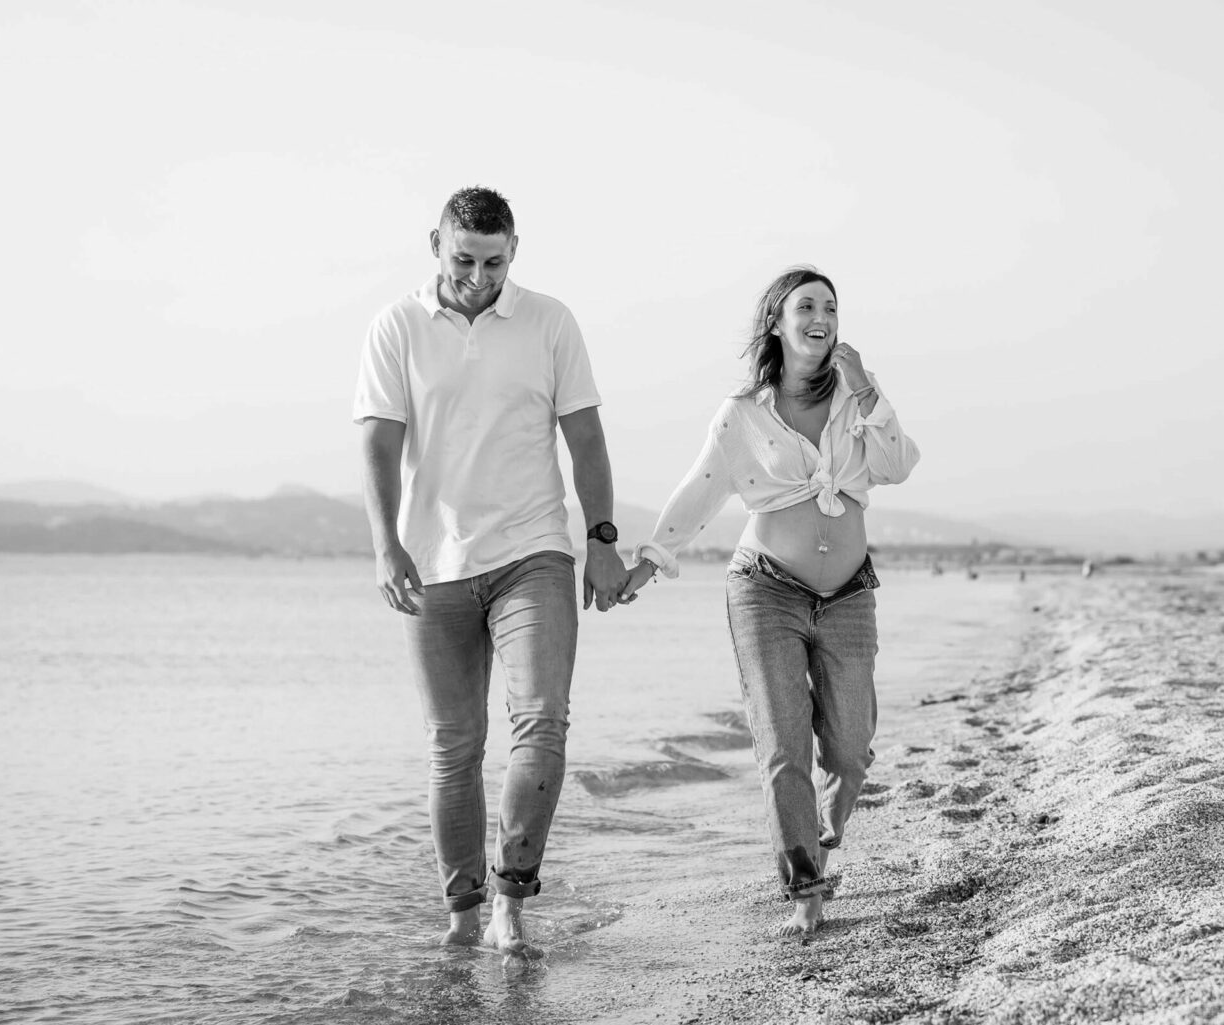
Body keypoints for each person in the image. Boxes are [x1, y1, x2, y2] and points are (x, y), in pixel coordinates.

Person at [353, 186, 628, 959]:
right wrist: (385, 544)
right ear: (434, 245)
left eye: (495, 261)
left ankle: (512, 896)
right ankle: (462, 913)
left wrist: (601, 538)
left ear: (515, 250)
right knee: (454, 744)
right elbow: (377, 443)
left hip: (534, 550)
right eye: (464, 260)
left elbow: (587, 439)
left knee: (541, 721)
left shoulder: (549, 321)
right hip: (435, 563)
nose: (480, 276)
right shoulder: (396, 327)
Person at [619, 267, 919, 935]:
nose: (822, 315)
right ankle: (806, 891)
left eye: (831, 307)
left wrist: (868, 385)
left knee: (850, 749)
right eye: (806, 305)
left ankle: (821, 830)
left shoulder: (857, 399)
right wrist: (649, 562)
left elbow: (898, 465)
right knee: (783, 746)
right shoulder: (743, 414)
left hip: (848, 596)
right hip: (765, 591)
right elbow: (698, 492)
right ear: (777, 324)